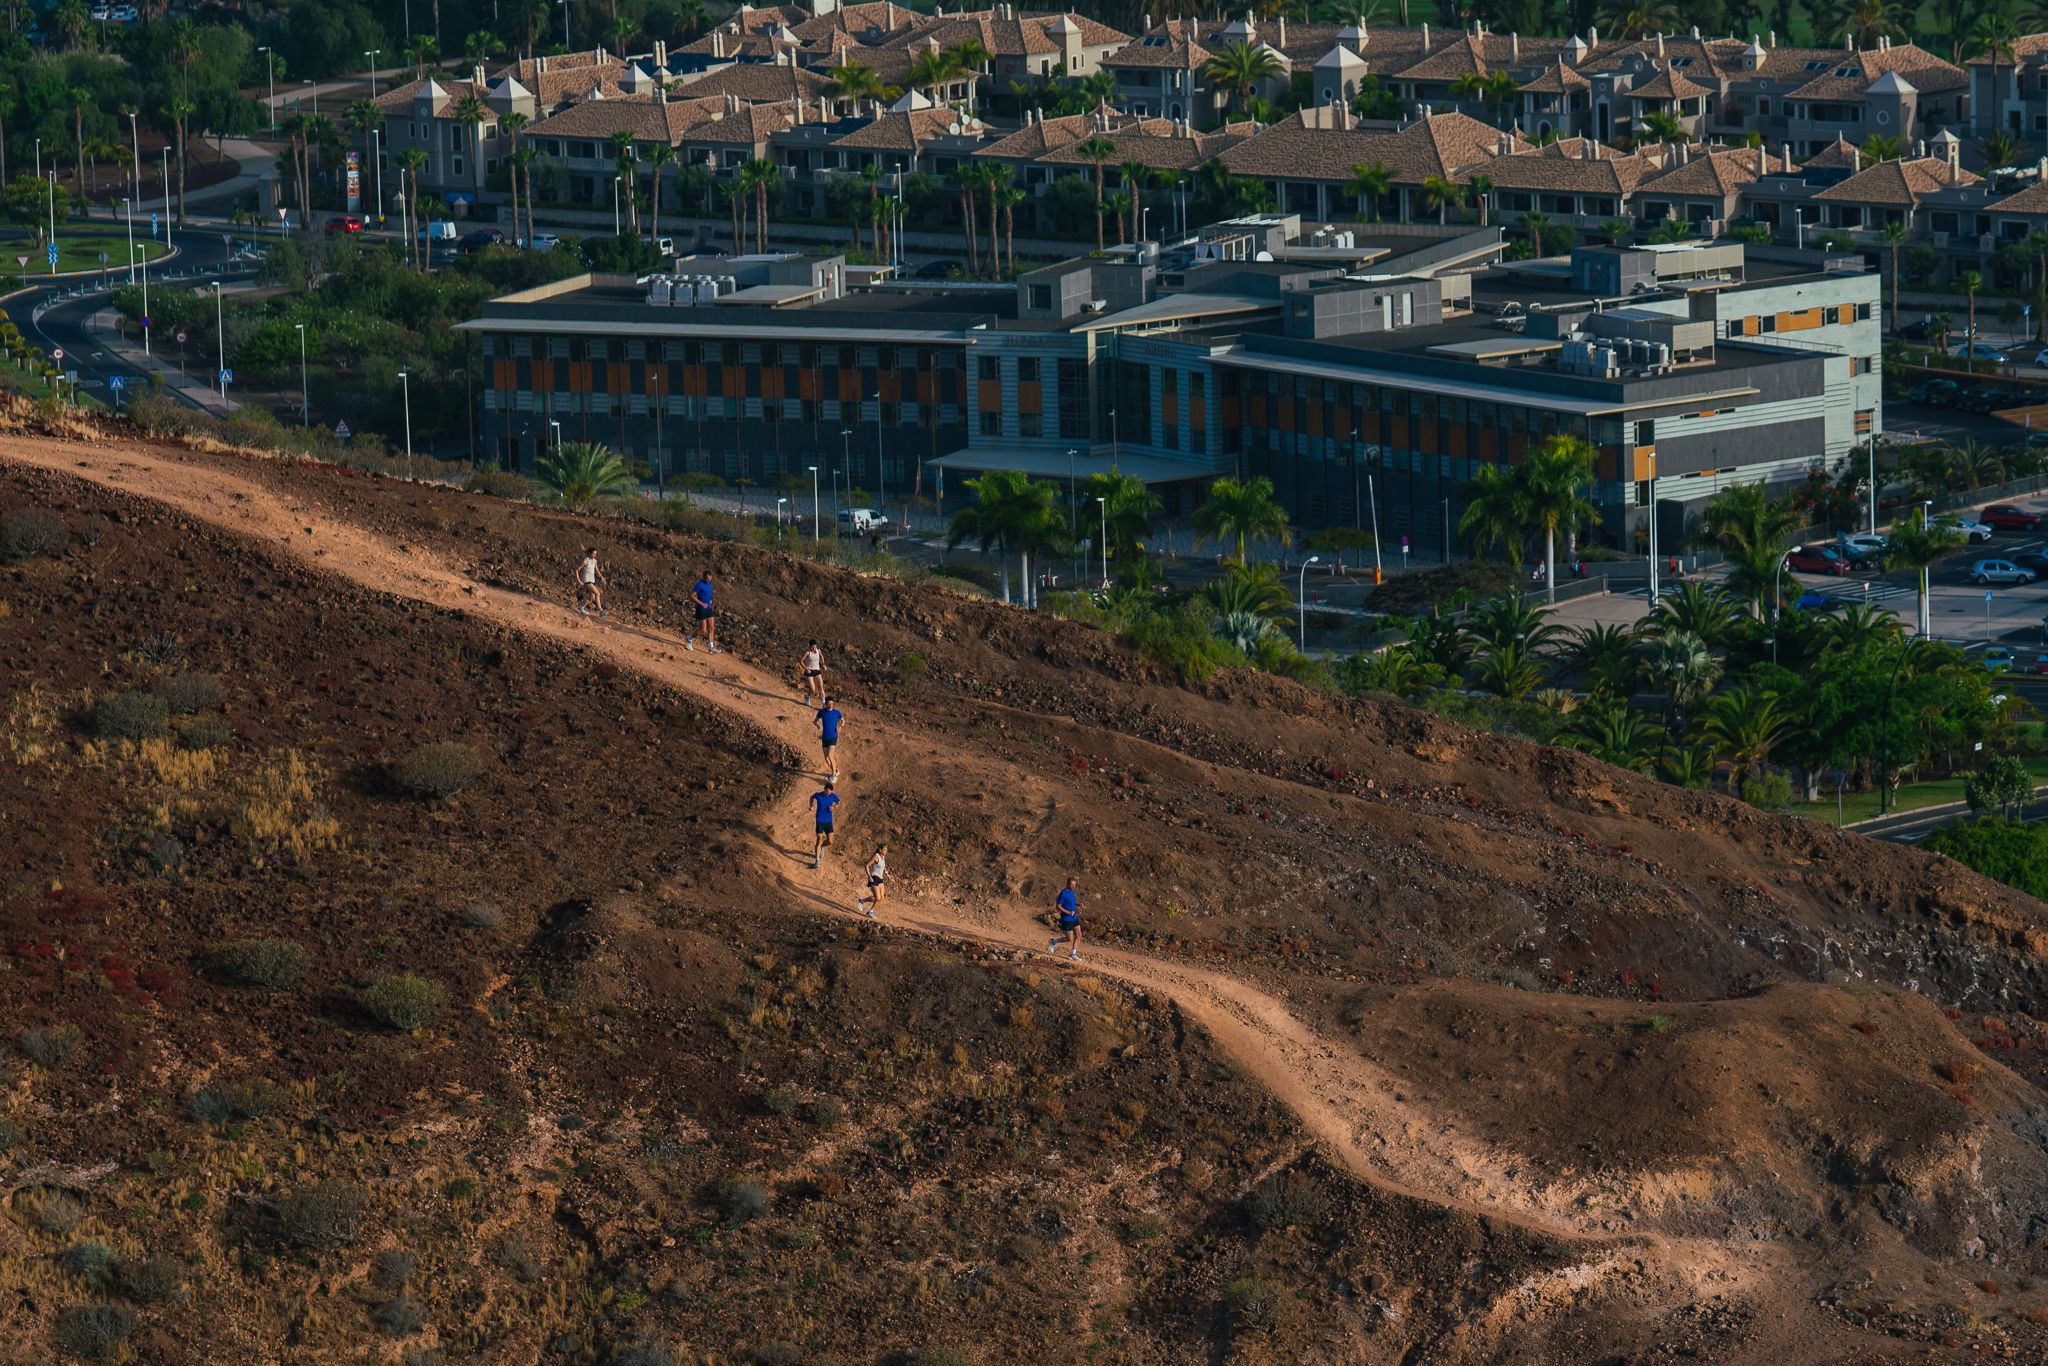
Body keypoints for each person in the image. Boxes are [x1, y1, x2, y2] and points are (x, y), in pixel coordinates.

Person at [1047, 876, 1082, 961]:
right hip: (1066, 919)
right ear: (1067, 884)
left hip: (1074, 917)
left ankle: (1072, 954)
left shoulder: (1072, 891)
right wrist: (1068, 912)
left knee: (1079, 935)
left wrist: (1077, 904)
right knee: (1070, 939)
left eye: (1074, 885)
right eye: (1072, 885)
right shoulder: (1063, 893)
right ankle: (1053, 941)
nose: (1074, 886)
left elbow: (1072, 901)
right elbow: (1058, 906)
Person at [807, 777, 839, 868]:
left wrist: (834, 807)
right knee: (819, 838)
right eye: (826, 791)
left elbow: (839, 803)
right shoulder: (818, 795)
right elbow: (811, 797)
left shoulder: (833, 796)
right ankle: (817, 860)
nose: (828, 793)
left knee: (830, 841)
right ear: (824, 789)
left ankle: (822, 846)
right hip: (820, 820)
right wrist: (811, 806)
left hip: (828, 821)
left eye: (829, 792)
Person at [686, 570, 719, 652]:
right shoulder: (699, 584)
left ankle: (711, 647)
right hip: (701, 609)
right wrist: (701, 603)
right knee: (703, 630)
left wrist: (709, 600)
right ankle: (689, 639)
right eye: (707, 578)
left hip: (708, 608)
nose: (708, 580)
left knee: (711, 628)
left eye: (710, 578)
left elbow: (708, 592)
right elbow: (692, 596)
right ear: (703, 577)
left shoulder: (710, 582)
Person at [857, 843, 888, 918]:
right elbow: (867, 865)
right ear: (880, 850)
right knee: (877, 897)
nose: (886, 851)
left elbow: (883, 866)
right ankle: (861, 901)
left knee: (881, 898)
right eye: (884, 849)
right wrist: (869, 876)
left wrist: (887, 873)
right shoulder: (876, 856)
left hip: (880, 878)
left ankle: (870, 912)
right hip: (874, 877)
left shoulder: (883, 857)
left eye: (886, 850)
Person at [815, 696, 843, 776]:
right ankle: (835, 770)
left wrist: (840, 727)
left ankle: (833, 775)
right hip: (824, 737)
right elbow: (815, 721)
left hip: (833, 736)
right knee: (826, 758)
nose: (830, 706)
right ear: (825, 704)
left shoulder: (836, 712)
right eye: (828, 704)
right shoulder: (821, 712)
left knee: (831, 756)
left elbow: (843, 721)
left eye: (831, 704)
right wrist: (818, 725)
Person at [575, 548, 607, 617]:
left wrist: (602, 578)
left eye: (596, 554)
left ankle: (581, 607)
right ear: (589, 554)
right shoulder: (585, 561)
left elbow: (597, 571)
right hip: (586, 581)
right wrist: (579, 580)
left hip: (592, 581)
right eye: (594, 554)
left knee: (591, 597)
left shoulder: (595, 561)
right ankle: (600, 610)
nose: (595, 555)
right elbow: (577, 570)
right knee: (597, 593)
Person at [798, 640, 826, 706]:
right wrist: (806, 668)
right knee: (813, 689)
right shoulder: (808, 653)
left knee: (821, 687)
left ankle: (824, 704)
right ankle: (807, 696)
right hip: (810, 671)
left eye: (814, 647)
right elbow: (801, 661)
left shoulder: (818, 651)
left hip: (817, 670)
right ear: (810, 647)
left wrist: (823, 664)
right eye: (812, 647)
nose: (813, 649)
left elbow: (822, 656)